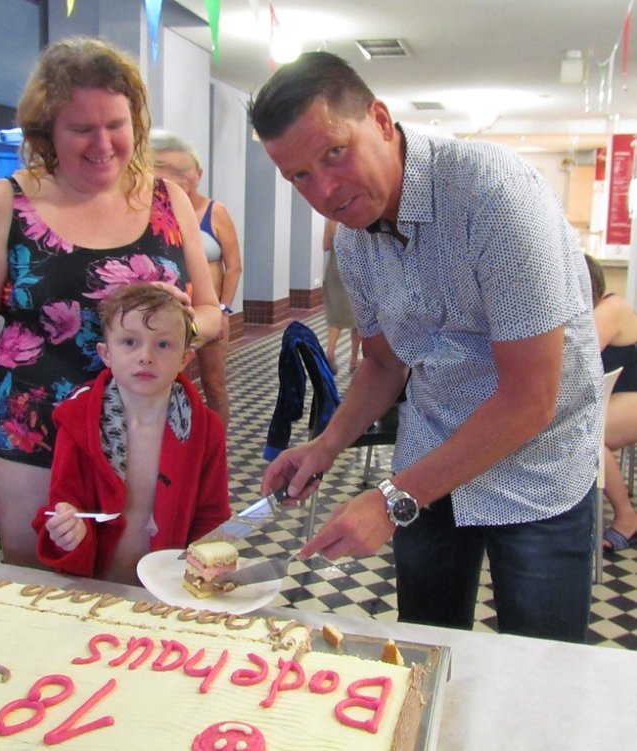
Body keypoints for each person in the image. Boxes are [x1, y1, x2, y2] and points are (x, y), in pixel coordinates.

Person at [250, 52, 602, 643]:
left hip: (538, 465)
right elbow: (384, 362)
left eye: (335, 153)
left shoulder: (493, 195)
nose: (325, 190)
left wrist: (392, 499)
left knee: (541, 659)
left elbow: (530, 399)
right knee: (427, 642)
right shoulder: (356, 241)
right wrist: (326, 445)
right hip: (431, 447)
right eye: (300, 176)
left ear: (380, 120)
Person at [0, 37, 220, 567]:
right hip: (34, 438)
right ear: (47, 131)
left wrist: (183, 322)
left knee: (141, 585)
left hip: (147, 436)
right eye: (81, 128)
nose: (103, 143)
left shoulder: (168, 200)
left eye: (116, 124)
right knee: (42, 587)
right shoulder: (6, 204)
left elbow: (209, 313)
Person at [32, 283, 230, 584]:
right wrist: (69, 532)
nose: (145, 356)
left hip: (171, 587)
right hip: (98, 586)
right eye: (129, 342)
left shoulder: (205, 430)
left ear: (184, 359)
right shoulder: (76, 423)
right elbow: (63, 505)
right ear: (106, 353)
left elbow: (212, 516)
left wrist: (205, 574)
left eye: (163, 344)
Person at [151, 131, 242, 428]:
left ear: (198, 173)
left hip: (209, 314)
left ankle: (218, 447)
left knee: (214, 385)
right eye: (164, 168)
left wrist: (224, 310)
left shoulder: (215, 212)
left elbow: (234, 266)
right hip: (170, 319)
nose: (177, 178)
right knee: (176, 387)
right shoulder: (154, 211)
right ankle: (183, 444)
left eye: (183, 171)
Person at [584, 254, 637, 551]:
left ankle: (627, 518)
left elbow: (576, 357)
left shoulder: (610, 308)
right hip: (619, 398)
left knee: (590, 436)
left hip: (632, 399)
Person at [322, 218, 360, 374]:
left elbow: (325, 246)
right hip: (355, 273)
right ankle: (353, 359)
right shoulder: (359, 220)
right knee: (358, 319)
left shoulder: (332, 222)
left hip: (334, 272)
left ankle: (330, 353)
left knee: (335, 316)